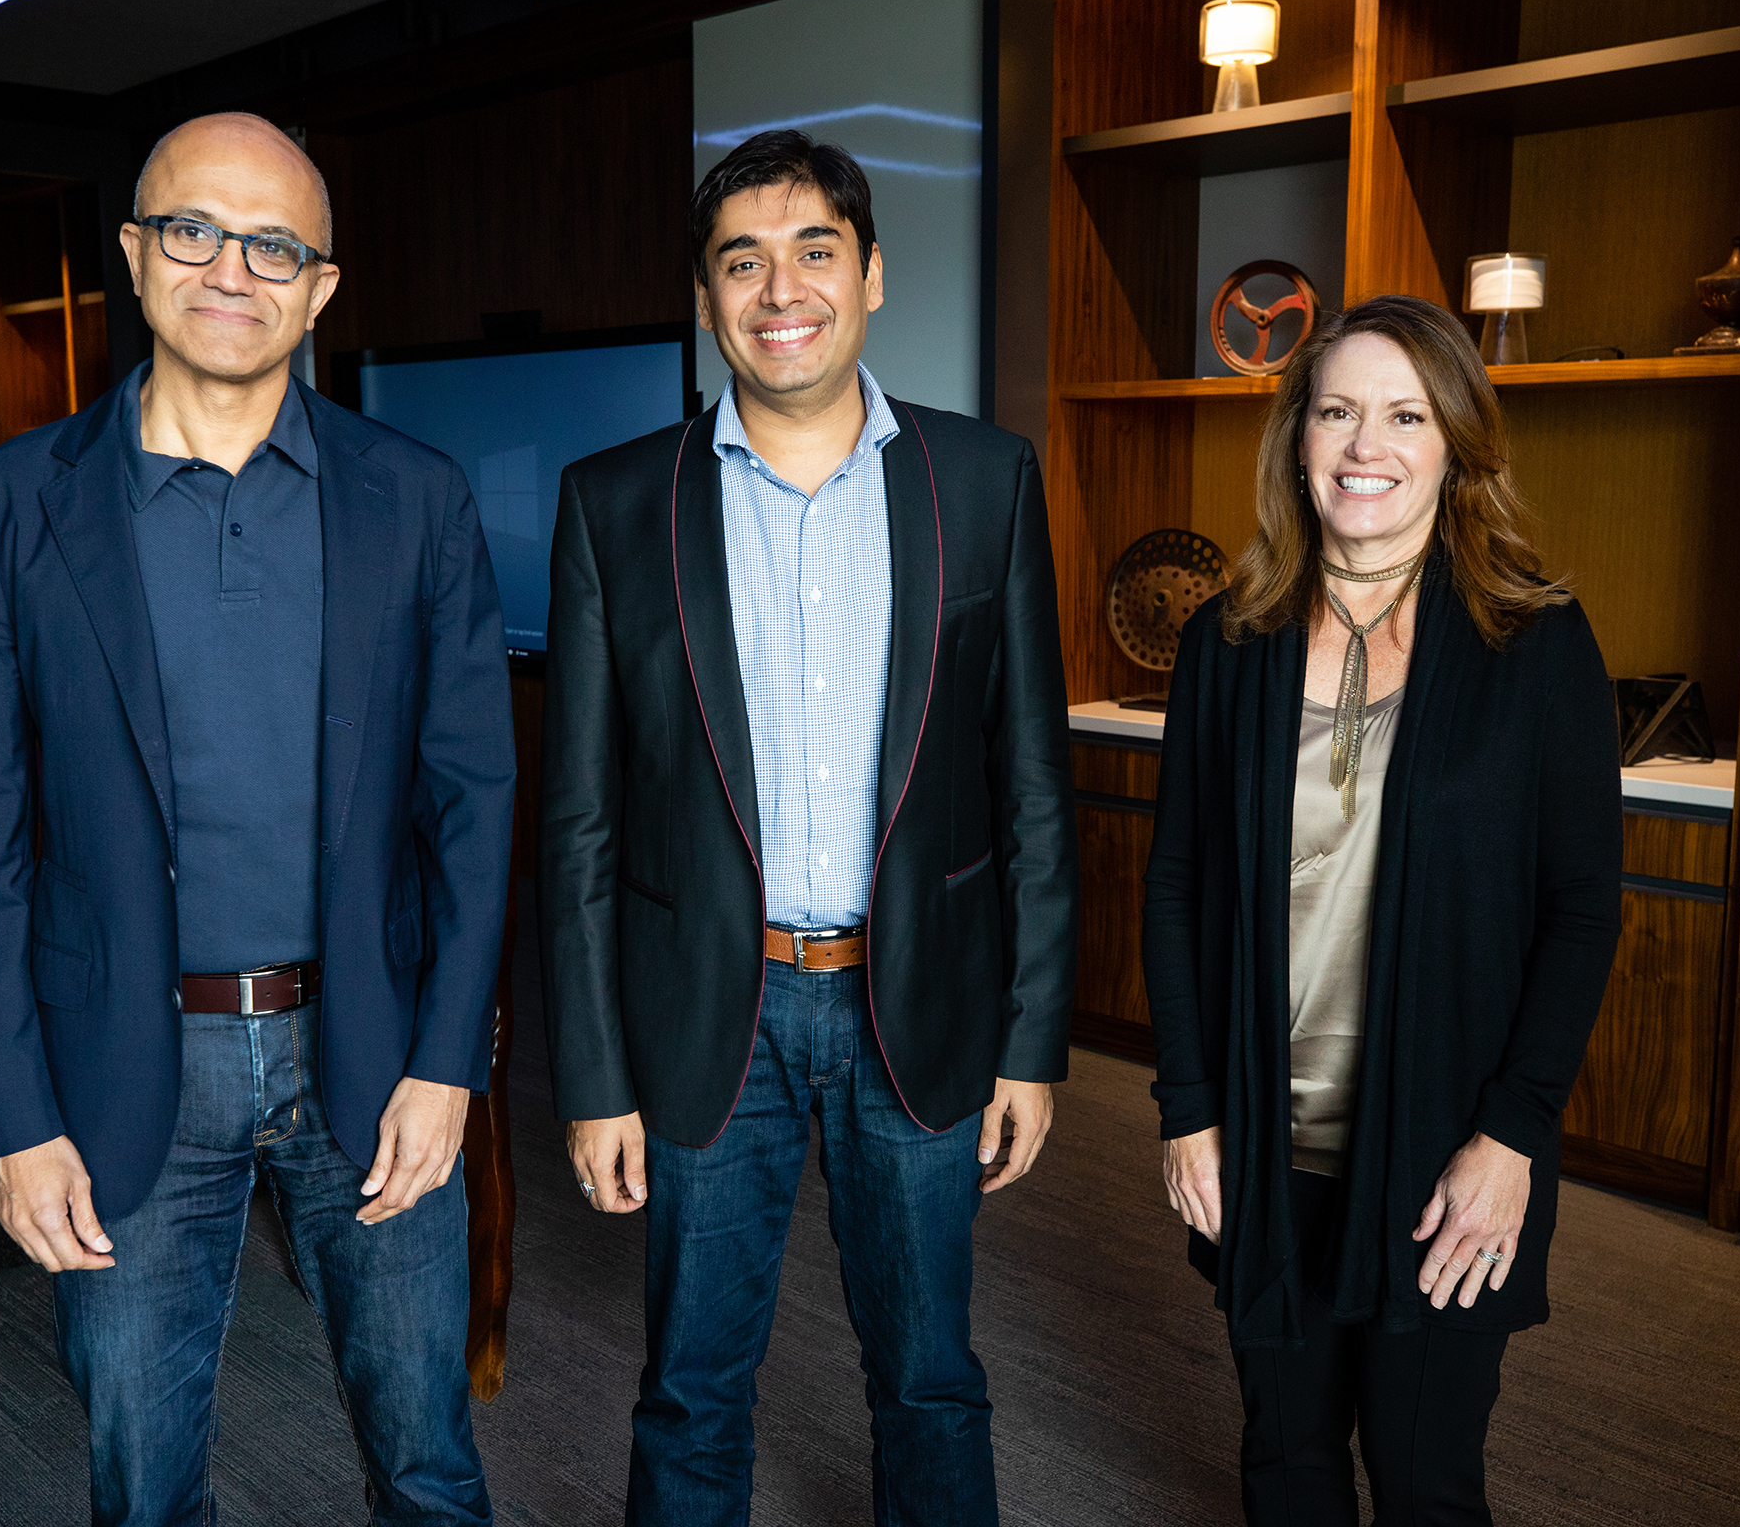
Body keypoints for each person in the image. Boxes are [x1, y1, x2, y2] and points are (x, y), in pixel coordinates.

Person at [0, 111, 514, 1527]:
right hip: (126, 1063)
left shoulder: (417, 501)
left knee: (427, 1456)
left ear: (319, 287)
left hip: (371, 1060)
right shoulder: (7, 509)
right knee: (142, 1479)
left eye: (272, 245)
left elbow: (477, 808)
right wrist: (13, 1119)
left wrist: (452, 1067)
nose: (229, 268)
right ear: (135, 257)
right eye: (193, 229)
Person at [537, 129, 1078, 1527]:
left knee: (931, 1378)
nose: (781, 288)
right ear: (710, 297)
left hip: (923, 1006)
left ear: (873, 276)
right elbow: (582, 823)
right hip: (713, 1014)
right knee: (692, 1386)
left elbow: (1029, 788)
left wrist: (1033, 1038)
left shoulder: (986, 481)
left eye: (814, 251)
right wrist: (593, 1076)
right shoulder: (612, 503)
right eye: (743, 260)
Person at [1144, 293, 1624, 1523]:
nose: (1367, 446)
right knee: (1286, 1465)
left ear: (1455, 445)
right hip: (1265, 1136)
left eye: (1405, 415)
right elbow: (1179, 884)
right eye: (1339, 411)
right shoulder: (1228, 642)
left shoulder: (1538, 645)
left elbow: (1580, 910)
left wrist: (1512, 1137)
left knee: (1424, 1477)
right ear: (1298, 439)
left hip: (1446, 1152)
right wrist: (1189, 1106)